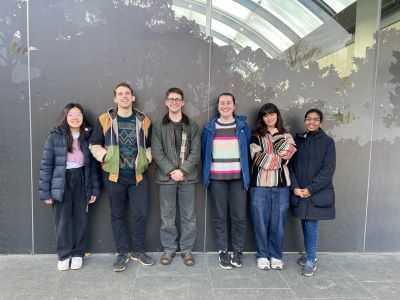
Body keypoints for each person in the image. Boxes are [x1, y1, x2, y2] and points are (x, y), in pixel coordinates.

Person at [89, 82, 154, 272]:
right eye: (120, 94)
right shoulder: (104, 119)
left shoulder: (144, 120)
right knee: (117, 215)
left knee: (140, 214)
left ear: (133, 98)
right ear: (115, 98)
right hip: (114, 176)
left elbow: (150, 146)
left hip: (138, 176)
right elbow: (94, 143)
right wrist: (106, 158)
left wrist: (145, 160)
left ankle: (139, 251)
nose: (124, 96)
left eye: (128, 93)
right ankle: (122, 253)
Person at [39, 103, 101, 271]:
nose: (75, 117)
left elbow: (93, 167)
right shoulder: (55, 136)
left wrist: (94, 189)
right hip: (61, 181)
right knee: (62, 221)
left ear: (83, 117)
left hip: (82, 178)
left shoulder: (89, 136)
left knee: (81, 220)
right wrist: (46, 193)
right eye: (71, 114)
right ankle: (64, 255)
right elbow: (46, 166)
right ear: (65, 117)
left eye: (78, 114)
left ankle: (78, 254)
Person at [201, 92, 251, 270]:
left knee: (238, 217)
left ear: (234, 106)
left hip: (238, 179)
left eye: (229, 103)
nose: (225, 106)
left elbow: (248, 153)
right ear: (218, 106)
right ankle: (223, 251)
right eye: (222, 103)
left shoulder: (243, 126)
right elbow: (204, 153)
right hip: (217, 179)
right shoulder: (209, 128)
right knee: (219, 217)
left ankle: (237, 250)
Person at [152, 87, 200, 266]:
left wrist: (183, 171)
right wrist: (172, 171)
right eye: (171, 99)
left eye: (177, 99)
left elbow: (196, 152)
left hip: (188, 178)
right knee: (167, 216)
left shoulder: (192, 125)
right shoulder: (158, 126)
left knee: (189, 216)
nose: (174, 102)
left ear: (183, 102)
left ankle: (187, 250)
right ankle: (169, 249)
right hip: (166, 179)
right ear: (166, 102)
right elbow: (157, 152)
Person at [249, 103, 296, 271]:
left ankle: (276, 256)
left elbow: (289, 153)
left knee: (278, 224)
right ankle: (262, 256)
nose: (269, 118)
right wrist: (281, 159)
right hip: (260, 187)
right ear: (262, 118)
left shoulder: (287, 135)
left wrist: (276, 134)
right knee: (260, 223)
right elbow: (258, 159)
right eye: (266, 115)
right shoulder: (255, 136)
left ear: (277, 116)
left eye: (272, 114)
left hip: (282, 188)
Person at [289, 108, 336, 277]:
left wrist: (310, 189)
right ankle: (309, 254)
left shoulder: (328, 142)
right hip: (299, 191)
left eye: (315, 119)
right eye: (308, 119)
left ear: (320, 122)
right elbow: (291, 166)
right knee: (304, 221)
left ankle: (311, 259)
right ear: (304, 121)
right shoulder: (298, 140)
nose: (311, 122)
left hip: (316, 192)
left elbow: (328, 170)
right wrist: (295, 187)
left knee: (311, 224)